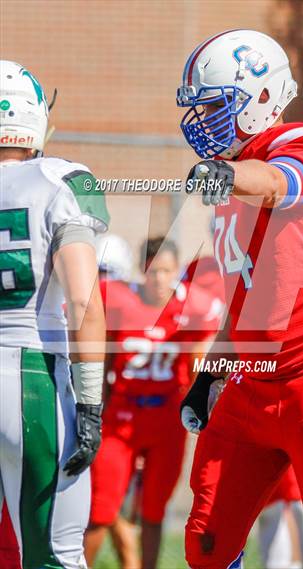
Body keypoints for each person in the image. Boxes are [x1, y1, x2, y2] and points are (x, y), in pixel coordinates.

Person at [177, 30, 303, 569]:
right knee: (207, 542)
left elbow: (276, 180)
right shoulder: (232, 186)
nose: (204, 121)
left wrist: (228, 175)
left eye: (215, 107)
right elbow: (243, 302)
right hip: (253, 376)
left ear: (261, 97)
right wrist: (210, 373)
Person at [0, 61, 108, 568]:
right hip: (30, 379)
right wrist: (90, 404)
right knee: (55, 554)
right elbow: (84, 302)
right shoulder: (60, 180)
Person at [84, 236, 222, 569]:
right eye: (153, 270)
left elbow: (204, 356)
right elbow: (101, 353)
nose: (159, 278)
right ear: (142, 270)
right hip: (122, 414)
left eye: (166, 271)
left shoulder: (193, 308)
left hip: (166, 417)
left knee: (154, 510)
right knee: (102, 508)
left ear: (176, 272)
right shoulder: (117, 299)